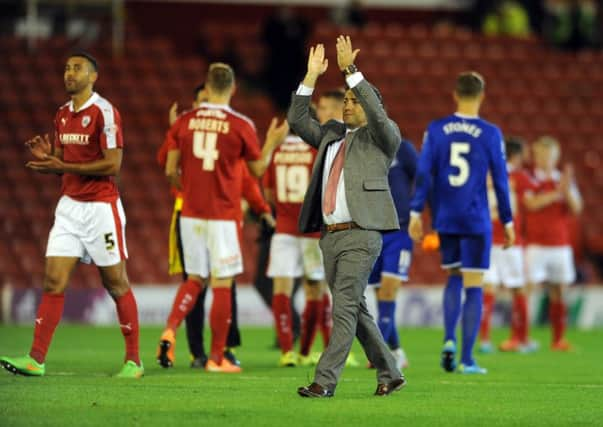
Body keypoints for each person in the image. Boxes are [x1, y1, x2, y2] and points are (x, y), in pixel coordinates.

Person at [0, 52, 142, 378]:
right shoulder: (62, 115)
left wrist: (61, 164)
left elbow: (113, 164)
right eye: (66, 68)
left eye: (77, 68)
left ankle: (134, 361)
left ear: (93, 76)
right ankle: (36, 359)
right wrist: (50, 159)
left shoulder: (105, 112)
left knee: (116, 283)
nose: (69, 73)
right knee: (53, 280)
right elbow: (64, 163)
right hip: (69, 208)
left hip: (101, 209)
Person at [289, 37, 405, 398]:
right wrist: (310, 76)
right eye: (347, 100)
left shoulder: (383, 137)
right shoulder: (330, 135)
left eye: (355, 101)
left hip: (362, 233)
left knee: (342, 310)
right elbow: (296, 118)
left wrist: (351, 72)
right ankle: (389, 371)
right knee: (355, 311)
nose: (349, 105)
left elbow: (375, 109)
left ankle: (324, 381)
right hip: (330, 237)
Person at [157, 62, 288, 373]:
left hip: (189, 213)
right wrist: (272, 143)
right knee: (221, 283)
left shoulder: (185, 121)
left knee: (193, 280)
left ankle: (170, 329)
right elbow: (256, 171)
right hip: (223, 215)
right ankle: (217, 357)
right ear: (233, 88)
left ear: (206, 85)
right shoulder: (240, 124)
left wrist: (190, 186)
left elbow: (169, 170)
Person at [409, 71, 514, 375]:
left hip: (446, 217)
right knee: (474, 284)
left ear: (455, 95)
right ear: (482, 96)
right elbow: (501, 180)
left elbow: (424, 173)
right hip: (476, 217)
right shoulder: (492, 133)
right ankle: (467, 358)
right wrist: (507, 219)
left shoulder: (436, 130)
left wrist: (417, 213)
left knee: (453, 276)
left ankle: (448, 340)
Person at [262, 131, 325, 367]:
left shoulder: (277, 151)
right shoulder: (315, 151)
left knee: (281, 289)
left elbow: (268, 193)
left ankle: (286, 351)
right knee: (314, 290)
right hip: (311, 231)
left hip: (284, 230)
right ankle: (305, 352)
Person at [524, 136, 582, 351]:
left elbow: (576, 209)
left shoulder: (563, 181)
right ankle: (523, 337)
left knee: (560, 290)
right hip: (536, 244)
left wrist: (565, 190)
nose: (545, 159)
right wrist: (556, 193)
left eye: (549, 156)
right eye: (541, 155)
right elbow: (530, 204)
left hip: (560, 245)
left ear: (556, 158)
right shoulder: (530, 178)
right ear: (536, 156)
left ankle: (558, 339)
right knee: (527, 290)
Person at [479, 137, 537, 353]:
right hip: (510, 240)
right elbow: (531, 201)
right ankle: (520, 339)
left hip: (488, 239)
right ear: (518, 155)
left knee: (488, 288)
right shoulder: (520, 176)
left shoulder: (486, 174)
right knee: (517, 288)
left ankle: (484, 340)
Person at [368, 138, 417, 370]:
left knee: (388, 289)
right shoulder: (362, 147)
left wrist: (417, 212)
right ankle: (396, 351)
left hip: (400, 229)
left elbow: (423, 177)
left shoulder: (401, 147)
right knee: (380, 294)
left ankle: (378, 352)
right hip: (373, 229)